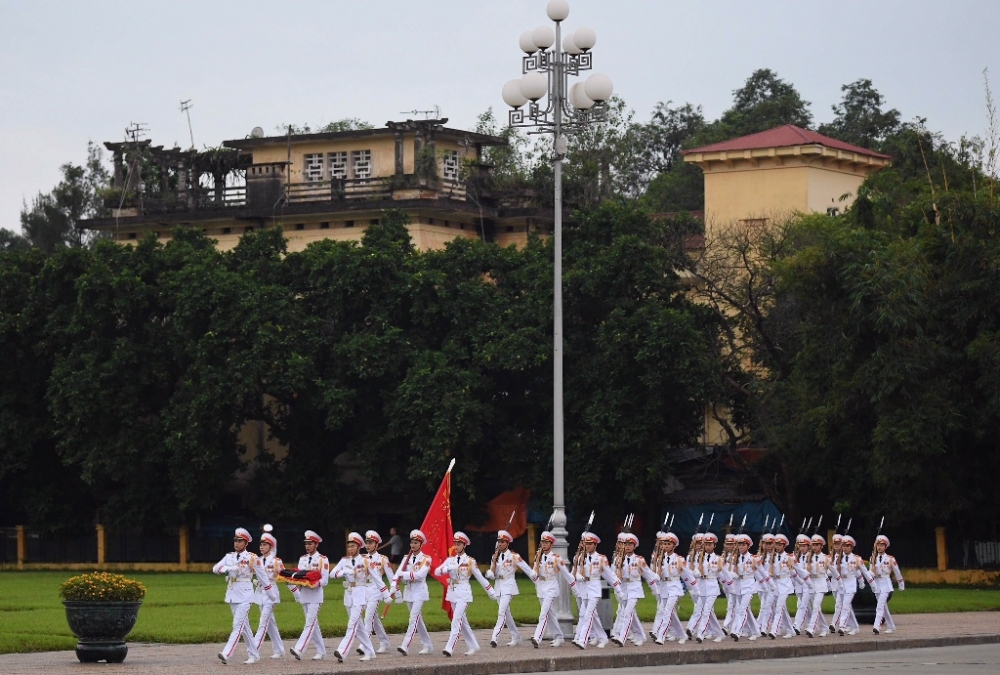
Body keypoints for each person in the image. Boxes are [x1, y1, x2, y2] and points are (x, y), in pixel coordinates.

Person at [213, 527, 272, 665]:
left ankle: (227, 653)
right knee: (244, 626)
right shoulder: (229, 557)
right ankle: (254, 654)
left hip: (246, 594)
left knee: (237, 624)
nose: (236, 543)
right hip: (232, 593)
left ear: (246, 543)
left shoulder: (252, 557)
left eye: (240, 541)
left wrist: (270, 593)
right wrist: (228, 569)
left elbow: (263, 577)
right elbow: (216, 568)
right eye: (235, 540)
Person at [331, 532, 389, 662]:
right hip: (348, 594)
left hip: (360, 594)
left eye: (353, 546)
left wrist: (386, 595)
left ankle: (342, 651)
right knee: (360, 628)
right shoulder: (344, 560)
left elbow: (377, 579)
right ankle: (370, 652)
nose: (350, 548)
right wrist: (344, 572)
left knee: (352, 625)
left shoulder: (365, 561)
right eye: (349, 546)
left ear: (358, 547)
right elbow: (332, 574)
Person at [435, 531, 495, 656]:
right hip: (452, 592)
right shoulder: (450, 560)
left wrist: (490, 591)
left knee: (456, 620)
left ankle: (449, 648)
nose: (456, 547)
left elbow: (480, 577)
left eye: (459, 544)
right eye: (455, 544)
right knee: (463, 621)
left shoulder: (470, 561)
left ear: (464, 545)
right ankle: (473, 645)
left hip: (464, 592)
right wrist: (447, 569)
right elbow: (437, 572)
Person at [485, 529, 535, 647]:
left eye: (503, 542)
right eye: (499, 541)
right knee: (506, 613)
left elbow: (527, 569)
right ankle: (516, 636)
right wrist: (492, 565)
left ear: (508, 543)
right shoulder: (494, 556)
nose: (500, 544)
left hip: (509, 585)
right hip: (498, 586)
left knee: (501, 611)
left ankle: (494, 637)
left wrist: (536, 579)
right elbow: (491, 574)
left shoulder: (514, 556)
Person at [531, 530, 579, 647]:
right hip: (541, 588)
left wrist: (575, 589)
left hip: (551, 587)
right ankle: (559, 636)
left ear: (551, 544)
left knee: (543, 614)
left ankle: (537, 637)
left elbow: (567, 574)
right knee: (550, 614)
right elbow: (534, 574)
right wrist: (535, 569)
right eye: (543, 542)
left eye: (547, 542)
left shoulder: (556, 558)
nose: (544, 544)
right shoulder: (538, 557)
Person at [570, 531, 618, 650]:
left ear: (595, 545)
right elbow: (574, 573)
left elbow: (609, 575)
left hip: (595, 588)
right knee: (593, 615)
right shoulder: (581, 557)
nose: (587, 546)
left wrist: (618, 588)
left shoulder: (601, 558)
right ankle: (603, 638)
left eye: (590, 544)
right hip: (584, 588)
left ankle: (582, 640)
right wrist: (577, 576)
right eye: (586, 544)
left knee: (588, 614)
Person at [288, 530, 330, 661]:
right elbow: (300, 575)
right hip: (304, 594)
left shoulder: (323, 560)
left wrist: (313, 583)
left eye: (310, 543)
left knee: (309, 624)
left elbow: (325, 580)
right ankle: (321, 651)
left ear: (316, 545)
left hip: (316, 595)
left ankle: (299, 649)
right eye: (306, 543)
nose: (307, 546)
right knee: (313, 625)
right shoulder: (303, 559)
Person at [391, 529, 434, 655]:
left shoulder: (426, 559)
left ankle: (405, 645)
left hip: (419, 591)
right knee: (418, 620)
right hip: (408, 590)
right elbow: (397, 574)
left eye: (416, 542)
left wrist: (403, 574)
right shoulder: (406, 558)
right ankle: (428, 644)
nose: (413, 545)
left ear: (421, 544)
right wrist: (393, 586)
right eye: (412, 542)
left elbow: (420, 575)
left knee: (413, 618)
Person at [610, 532, 658, 647]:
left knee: (627, 613)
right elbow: (613, 575)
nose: (627, 547)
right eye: (626, 544)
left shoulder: (639, 560)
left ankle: (622, 637)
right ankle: (641, 635)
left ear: (634, 546)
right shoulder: (618, 559)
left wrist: (655, 589)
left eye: (630, 545)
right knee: (631, 614)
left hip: (635, 588)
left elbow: (648, 575)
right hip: (624, 588)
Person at [650, 531, 697, 644]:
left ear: (674, 545)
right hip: (665, 587)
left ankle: (661, 636)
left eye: (668, 544)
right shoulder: (660, 558)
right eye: (664, 544)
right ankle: (682, 635)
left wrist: (695, 588)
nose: (665, 546)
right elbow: (658, 572)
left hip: (675, 587)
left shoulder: (679, 559)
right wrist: (656, 577)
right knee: (671, 613)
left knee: (667, 612)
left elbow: (688, 575)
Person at [252, 529, 285, 659]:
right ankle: (279, 650)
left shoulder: (277, 562)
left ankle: (253, 652)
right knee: (270, 623)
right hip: (260, 593)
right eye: (261, 545)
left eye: (265, 545)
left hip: (271, 592)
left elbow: (286, 578)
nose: (262, 547)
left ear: (270, 547)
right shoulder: (257, 560)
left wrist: (296, 593)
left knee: (263, 622)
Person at [360, 530, 393, 654]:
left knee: (368, 618)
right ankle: (384, 641)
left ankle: (365, 644)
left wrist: (395, 592)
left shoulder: (383, 559)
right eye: (366, 542)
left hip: (377, 590)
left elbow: (391, 577)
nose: (368, 545)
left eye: (371, 543)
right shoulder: (362, 558)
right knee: (374, 618)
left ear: (376, 545)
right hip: (364, 589)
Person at [689, 532, 725, 643]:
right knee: (705, 611)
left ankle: (701, 633)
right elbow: (693, 572)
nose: (708, 546)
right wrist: (698, 573)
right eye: (706, 544)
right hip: (702, 587)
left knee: (707, 611)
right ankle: (720, 633)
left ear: (714, 545)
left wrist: (729, 586)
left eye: (710, 544)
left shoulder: (719, 559)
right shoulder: (699, 558)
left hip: (712, 586)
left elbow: (720, 573)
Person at [832, 535, 871, 635]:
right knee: (843, 606)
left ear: (851, 547)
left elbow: (860, 571)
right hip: (840, 584)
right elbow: (833, 570)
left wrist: (869, 583)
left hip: (850, 584)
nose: (844, 547)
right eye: (843, 545)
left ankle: (842, 626)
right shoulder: (838, 557)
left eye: (847, 546)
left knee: (845, 605)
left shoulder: (856, 558)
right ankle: (853, 626)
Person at [868, 534, 905, 634]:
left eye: (882, 545)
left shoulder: (890, 559)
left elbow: (897, 572)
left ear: (885, 547)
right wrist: (870, 574)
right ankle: (891, 626)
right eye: (878, 545)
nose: (879, 547)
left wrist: (901, 583)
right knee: (883, 607)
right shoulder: (873, 558)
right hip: (877, 585)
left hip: (886, 584)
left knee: (880, 606)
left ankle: (876, 626)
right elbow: (870, 572)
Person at [804, 534, 831, 637]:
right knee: (816, 608)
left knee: (816, 606)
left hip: (821, 584)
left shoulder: (825, 558)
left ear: (821, 546)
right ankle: (824, 627)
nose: (814, 547)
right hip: (811, 584)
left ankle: (811, 628)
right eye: (813, 545)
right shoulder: (808, 557)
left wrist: (839, 582)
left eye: (817, 545)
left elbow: (832, 571)